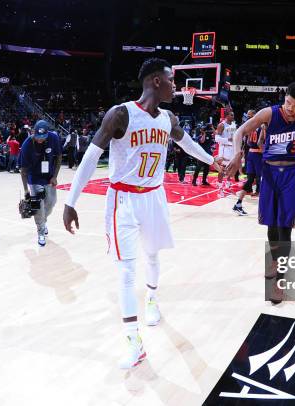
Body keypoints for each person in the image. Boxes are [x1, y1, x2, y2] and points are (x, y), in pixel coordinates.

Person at [62, 58, 223, 369]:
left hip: (154, 197)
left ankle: (151, 299)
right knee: (125, 271)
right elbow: (91, 157)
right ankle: (134, 342)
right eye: (172, 79)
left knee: (152, 255)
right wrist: (71, 201)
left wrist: (212, 162)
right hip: (123, 198)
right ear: (156, 81)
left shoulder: (168, 118)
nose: (177, 85)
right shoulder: (121, 114)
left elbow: (187, 144)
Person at [225, 82, 295, 304]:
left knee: (286, 228)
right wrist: (237, 154)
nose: (290, 108)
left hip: (292, 174)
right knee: (271, 225)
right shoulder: (269, 113)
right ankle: (275, 260)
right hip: (270, 173)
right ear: (284, 97)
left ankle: (279, 282)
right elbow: (239, 132)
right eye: (288, 103)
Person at [19, 120, 63, 247]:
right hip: (34, 177)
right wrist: (26, 190)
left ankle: (43, 221)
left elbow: (59, 156)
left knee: (51, 202)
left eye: (43, 138)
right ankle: (41, 232)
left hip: (49, 177)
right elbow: (23, 170)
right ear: (34, 133)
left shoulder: (53, 138)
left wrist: (55, 176)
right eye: (38, 137)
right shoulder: (27, 145)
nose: (40, 140)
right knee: (38, 206)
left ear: (47, 134)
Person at [233, 110, 264, 215]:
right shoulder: (262, 127)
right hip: (258, 155)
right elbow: (260, 143)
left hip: (250, 154)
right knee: (263, 178)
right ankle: (266, 206)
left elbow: (246, 143)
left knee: (250, 179)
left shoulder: (250, 128)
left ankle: (238, 203)